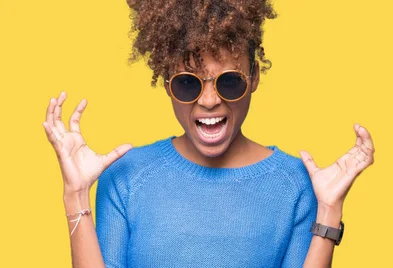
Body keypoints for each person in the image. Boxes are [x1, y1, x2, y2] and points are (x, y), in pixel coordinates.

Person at [42, 0, 375, 267]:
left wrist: (328, 210)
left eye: (230, 81)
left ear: (254, 76)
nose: (210, 100)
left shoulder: (297, 184)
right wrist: (76, 193)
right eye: (188, 83)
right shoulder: (126, 177)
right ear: (167, 84)